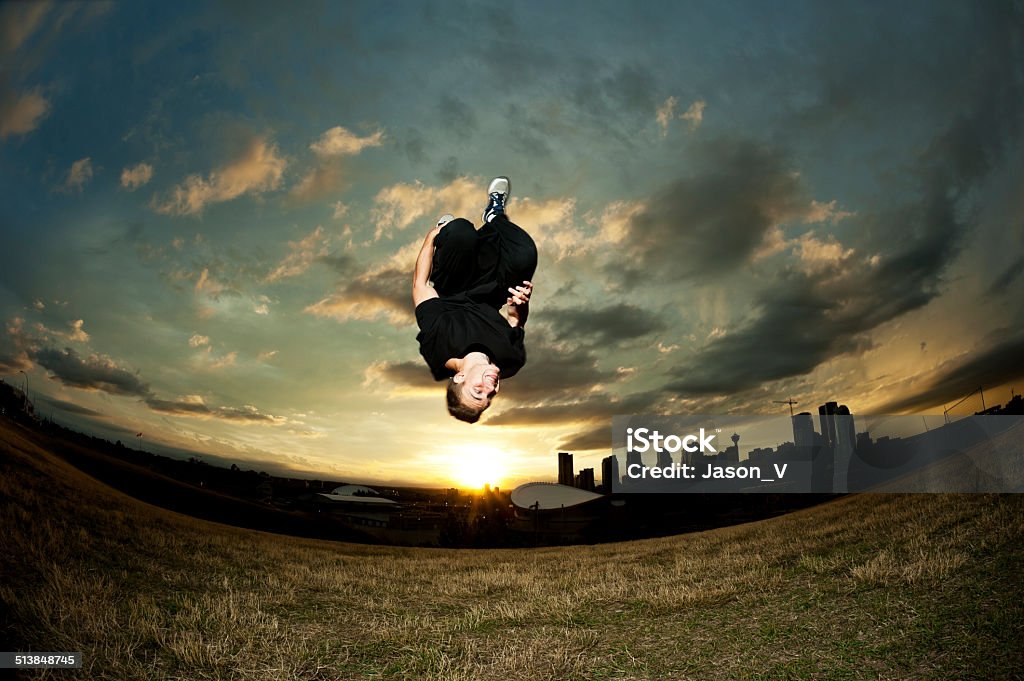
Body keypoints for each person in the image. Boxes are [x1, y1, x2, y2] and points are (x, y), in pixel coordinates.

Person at [412, 177, 538, 423]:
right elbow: (515, 320)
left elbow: (420, 285)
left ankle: (447, 233)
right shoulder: (512, 362)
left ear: (459, 379)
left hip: (453, 283)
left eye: (477, 391)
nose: (490, 389)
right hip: (492, 292)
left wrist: (432, 236)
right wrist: (520, 304)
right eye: (489, 397)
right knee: (525, 255)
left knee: (460, 232)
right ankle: (494, 216)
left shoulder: (438, 346)